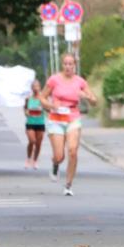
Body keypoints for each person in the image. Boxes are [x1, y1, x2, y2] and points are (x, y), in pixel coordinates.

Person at [40, 53, 98, 196]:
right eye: (65, 64)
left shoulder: (80, 81)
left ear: (74, 66)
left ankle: (68, 185)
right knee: (60, 156)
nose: (68, 66)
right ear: (62, 65)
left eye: (70, 64)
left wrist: (87, 97)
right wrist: (51, 105)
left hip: (73, 118)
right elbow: (42, 97)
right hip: (56, 118)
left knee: (73, 151)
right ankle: (55, 164)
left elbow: (94, 101)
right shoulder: (54, 80)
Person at [24, 79, 46, 169]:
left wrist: (43, 107)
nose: (35, 88)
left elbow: (48, 108)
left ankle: (35, 160)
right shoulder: (28, 98)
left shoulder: (43, 98)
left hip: (40, 123)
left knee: (38, 143)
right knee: (32, 141)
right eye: (34, 86)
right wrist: (26, 113)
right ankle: (28, 158)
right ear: (31, 88)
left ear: (40, 87)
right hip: (30, 122)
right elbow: (25, 109)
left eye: (37, 86)